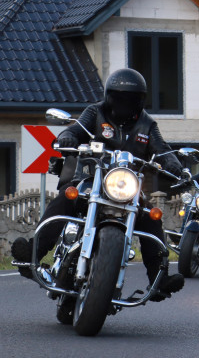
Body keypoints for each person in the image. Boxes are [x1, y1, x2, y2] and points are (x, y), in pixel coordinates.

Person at [11, 68, 186, 300]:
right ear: (110, 96)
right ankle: (33, 254)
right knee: (67, 196)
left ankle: (158, 279)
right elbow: (76, 129)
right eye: (120, 97)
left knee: (151, 216)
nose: (125, 102)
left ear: (140, 99)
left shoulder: (147, 125)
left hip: (125, 187)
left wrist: (175, 164)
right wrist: (68, 137)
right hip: (91, 178)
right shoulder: (95, 112)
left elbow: (162, 149)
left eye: (131, 98)